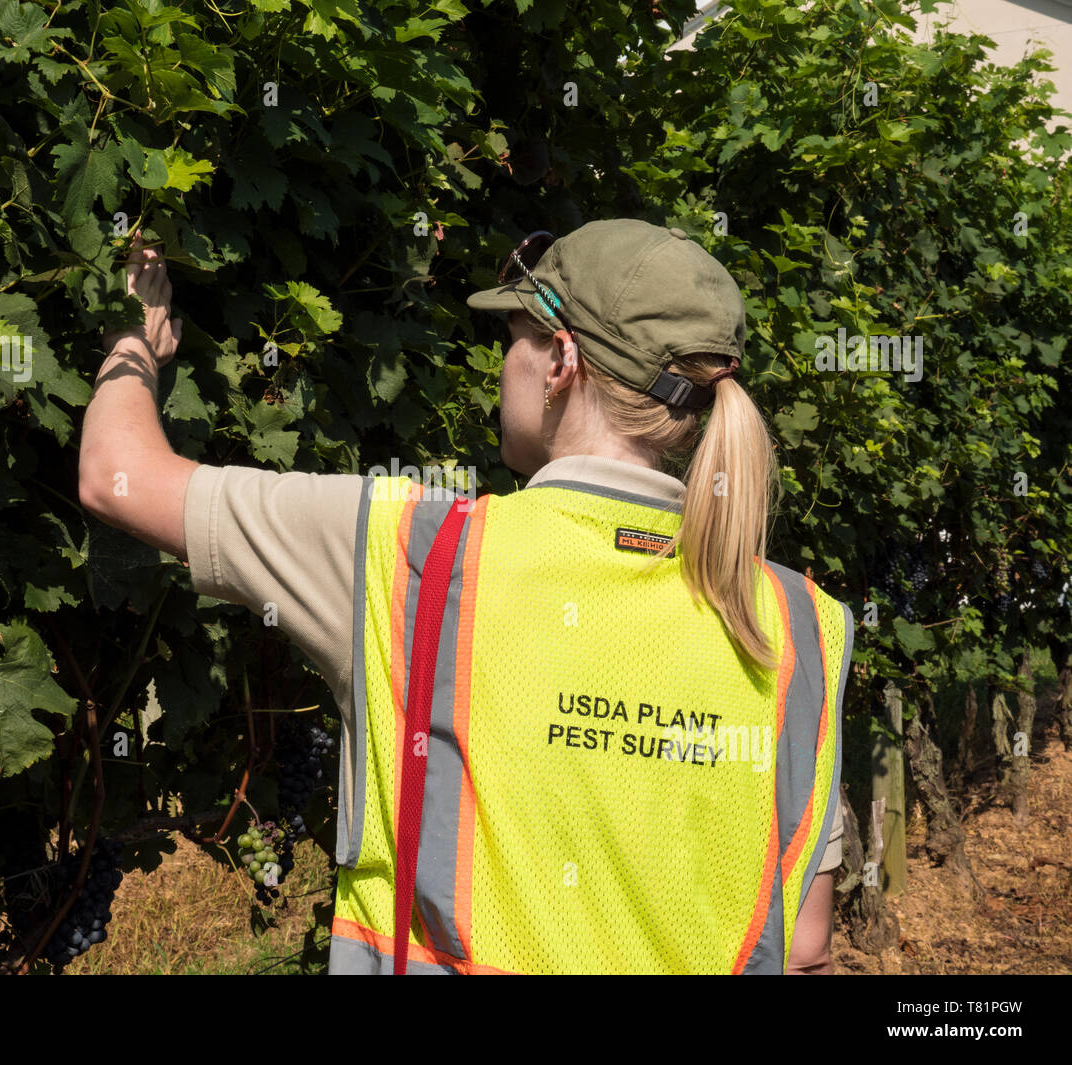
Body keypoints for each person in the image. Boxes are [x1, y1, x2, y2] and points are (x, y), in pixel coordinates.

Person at [79, 219, 853, 975]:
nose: (503, 361)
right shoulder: (801, 625)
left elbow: (116, 475)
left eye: (514, 333)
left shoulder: (413, 553)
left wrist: (136, 340)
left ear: (561, 361)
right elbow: (806, 945)